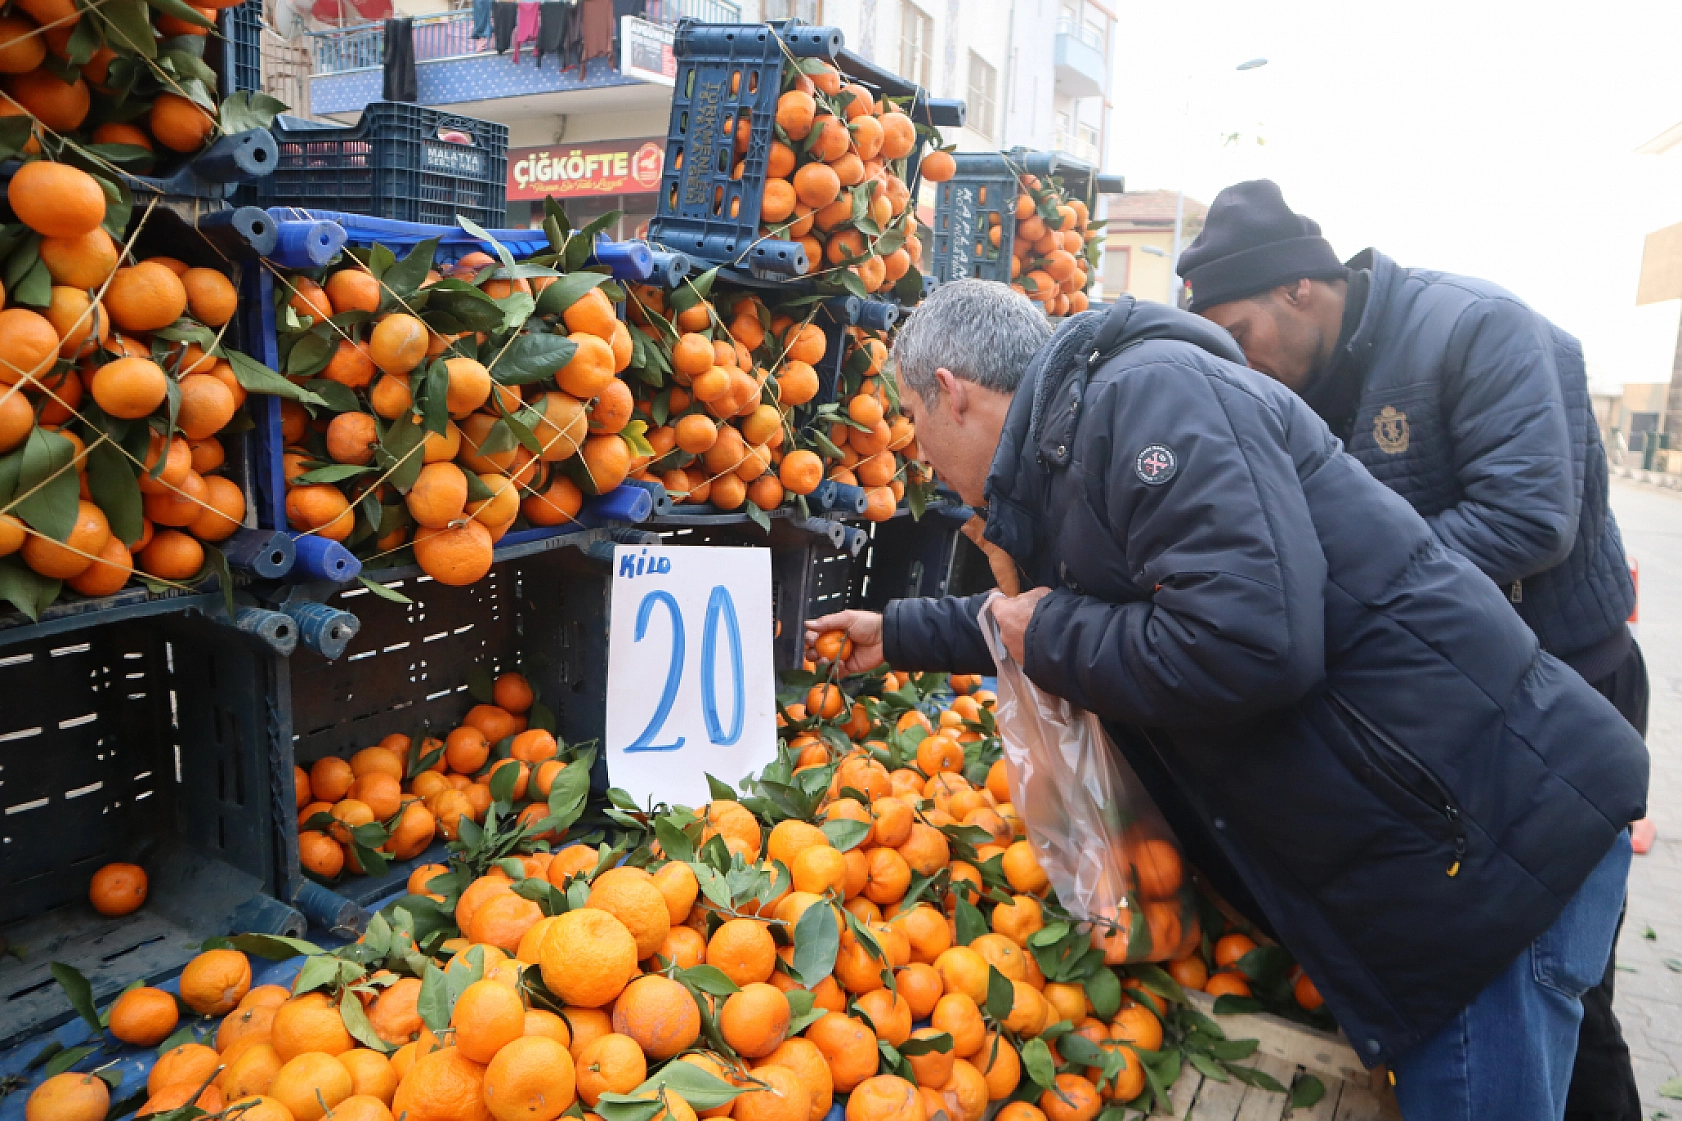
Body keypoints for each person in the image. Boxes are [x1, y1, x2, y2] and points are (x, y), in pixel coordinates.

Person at [806, 279, 1648, 1120]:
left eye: (913, 422)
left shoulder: (1148, 399)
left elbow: (1248, 642)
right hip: (1441, 841)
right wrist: (906, 630)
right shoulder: (1081, 440)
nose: (920, 455)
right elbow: (1092, 610)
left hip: (1477, 852)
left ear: (949, 393)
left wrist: (1053, 628)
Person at [1178, 180, 1645, 1121]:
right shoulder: (1302, 378)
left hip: (1562, 694)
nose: (1240, 363)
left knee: (1557, 976)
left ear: (1298, 291)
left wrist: (1335, 589)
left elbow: (1527, 518)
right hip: (1457, 698)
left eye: (1237, 335)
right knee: (1512, 977)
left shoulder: (1476, 329)